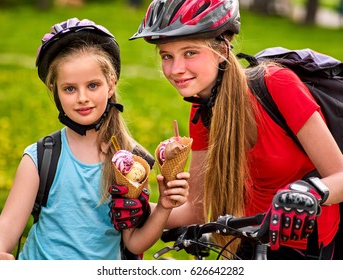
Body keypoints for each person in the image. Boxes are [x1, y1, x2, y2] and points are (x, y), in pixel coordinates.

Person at [130, 0, 343, 259]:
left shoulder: (276, 84)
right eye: (167, 56)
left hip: (310, 246)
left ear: (222, 48)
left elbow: (339, 174)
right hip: (246, 241)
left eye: (189, 53)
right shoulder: (202, 113)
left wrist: (309, 193)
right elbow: (194, 211)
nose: (176, 69)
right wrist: (133, 211)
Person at [0, 17, 189, 260]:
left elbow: (135, 243)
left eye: (93, 85)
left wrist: (163, 207)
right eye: (69, 89)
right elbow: (7, 227)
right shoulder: (41, 157)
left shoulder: (131, 162)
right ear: (55, 92)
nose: (82, 98)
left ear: (111, 85)